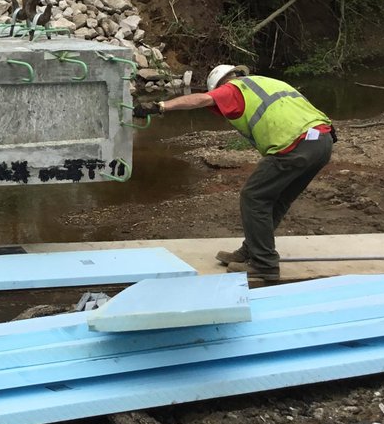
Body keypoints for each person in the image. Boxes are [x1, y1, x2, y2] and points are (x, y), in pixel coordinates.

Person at [134, 64, 334, 282]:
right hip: (322, 141)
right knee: (275, 199)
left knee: (254, 197)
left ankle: (264, 264)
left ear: (220, 84)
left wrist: (160, 106)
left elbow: (200, 99)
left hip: (295, 146)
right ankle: (251, 250)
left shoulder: (232, 88)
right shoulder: (265, 83)